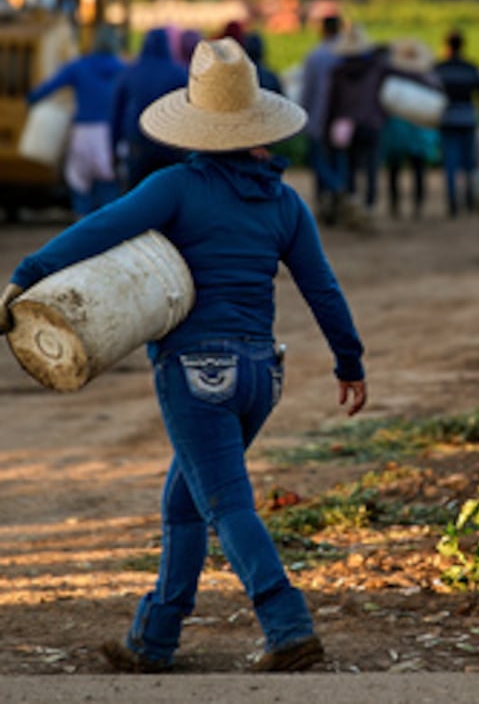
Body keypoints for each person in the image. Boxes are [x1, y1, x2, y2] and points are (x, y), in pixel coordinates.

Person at [0, 37, 366, 673]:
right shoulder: (284, 202)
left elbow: (99, 229)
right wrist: (350, 362)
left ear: (198, 122)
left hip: (197, 373)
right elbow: (321, 288)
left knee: (226, 504)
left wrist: (26, 275)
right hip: (261, 375)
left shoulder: (176, 186)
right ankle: (154, 639)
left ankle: (287, 623)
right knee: (184, 501)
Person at [26, 22, 127, 217]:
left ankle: (82, 227)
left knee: (80, 185)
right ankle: (109, 231)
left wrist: (31, 99)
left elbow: (50, 86)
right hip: (110, 134)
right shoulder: (122, 68)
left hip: (83, 133)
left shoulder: (79, 67)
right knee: (109, 186)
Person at [325, 30, 391, 221]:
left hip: (346, 126)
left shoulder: (338, 72)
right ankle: (369, 207)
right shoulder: (375, 69)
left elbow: (332, 104)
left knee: (350, 166)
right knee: (371, 167)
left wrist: (327, 127)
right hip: (371, 123)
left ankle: (353, 203)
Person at [110, 27, 188, 190]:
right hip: (170, 146)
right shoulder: (179, 73)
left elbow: (116, 113)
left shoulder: (131, 72)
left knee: (137, 198)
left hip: (138, 144)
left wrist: (113, 147)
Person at [433, 28, 479, 217]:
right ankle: (469, 200)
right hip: (468, 119)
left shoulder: (439, 69)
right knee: (469, 163)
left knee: (451, 163)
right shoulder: (473, 68)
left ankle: (453, 203)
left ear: (447, 46)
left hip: (448, 119)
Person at [381, 39, 442, 219]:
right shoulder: (427, 77)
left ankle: (395, 205)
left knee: (394, 169)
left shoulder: (393, 77)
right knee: (418, 168)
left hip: (397, 129)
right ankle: (418, 205)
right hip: (419, 131)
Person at [298, 6, 346, 221]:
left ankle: (328, 198)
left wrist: (302, 116)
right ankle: (339, 197)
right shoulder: (347, 56)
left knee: (319, 162)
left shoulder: (315, 56)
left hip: (318, 117)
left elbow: (307, 90)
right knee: (338, 159)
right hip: (342, 119)